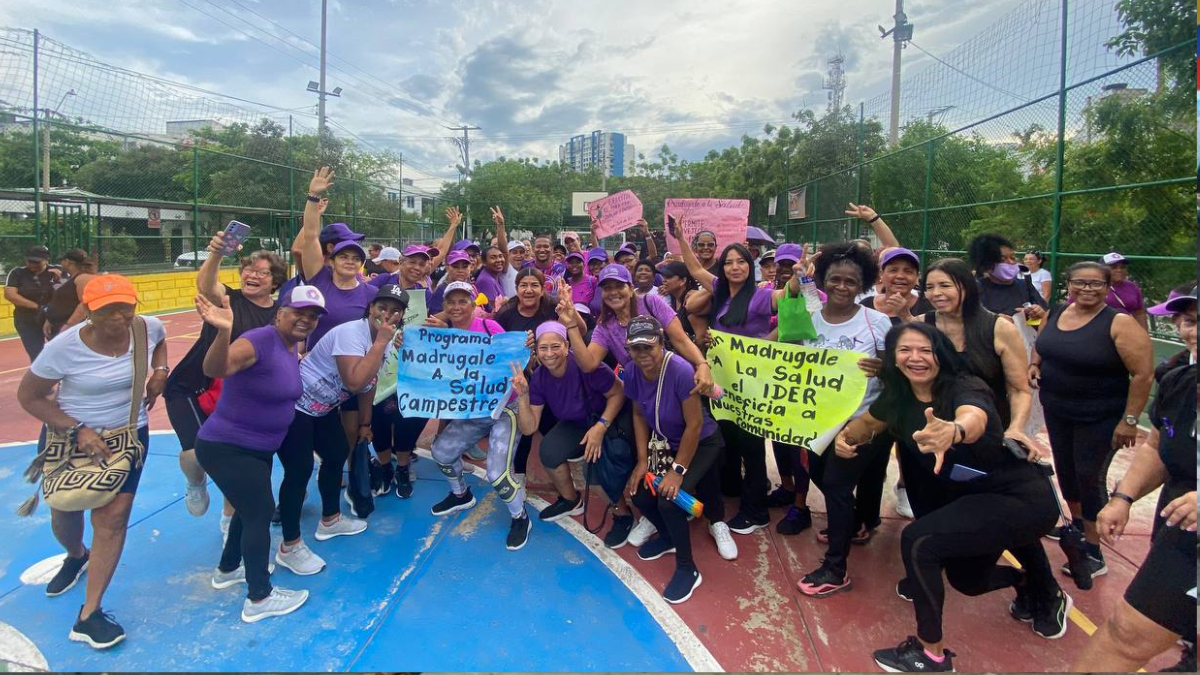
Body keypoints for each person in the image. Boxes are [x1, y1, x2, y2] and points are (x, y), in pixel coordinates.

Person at [849, 322, 1067, 672]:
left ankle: (931, 654)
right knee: (968, 582)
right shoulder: (898, 396)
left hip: (1021, 497)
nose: (916, 357)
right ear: (893, 358)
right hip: (974, 501)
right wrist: (845, 440)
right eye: (905, 350)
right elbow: (866, 426)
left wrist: (955, 429)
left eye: (926, 350)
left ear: (941, 354)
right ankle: (1027, 582)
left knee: (919, 541)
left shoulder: (964, 386)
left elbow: (974, 416)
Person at [18, 274, 168, 649]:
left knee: (112, 518)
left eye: (125, 308)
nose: (118, 317)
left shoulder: (146, 328)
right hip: (69, 436)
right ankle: (76, 554)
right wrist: (77, 429)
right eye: (107, 310)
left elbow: (161, 342)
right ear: (87, 309)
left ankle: (89, 614)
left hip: (128, 435)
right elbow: (29, 396)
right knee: (65, 511)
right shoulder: (64, 348)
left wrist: (160, 372)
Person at [1074, 284, 1196, 672]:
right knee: (1128, 633)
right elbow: (1158, 446)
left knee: (1129, 633)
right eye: (1187, 321)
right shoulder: (1178, 378)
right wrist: (1123, 497)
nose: (1192, 331)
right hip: (1182, 527)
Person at [192, 285, 327, 623]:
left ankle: (228, 569)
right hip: (229, 446)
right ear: (279, 314)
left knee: (248, 508)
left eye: (312, 316)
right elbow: (217, 368)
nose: (306, 320)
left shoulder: (289, 346)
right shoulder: (258, 340)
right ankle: (259, 597)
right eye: (299, 312)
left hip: (256, 448)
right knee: (259, 513)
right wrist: (223, 332)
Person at [1031, 261, 1154, 579]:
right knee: (1066, 472)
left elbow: (1143, 374)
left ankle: (1094, 549)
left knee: (1089, 476)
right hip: (1058, 410)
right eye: (1080, 282)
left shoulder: (1119, 323)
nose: (1087, 289)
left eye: (1096, 283)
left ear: (1107, 288)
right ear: (1069, 285)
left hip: (1099, 416)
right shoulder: (1057, 312)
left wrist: (1129, 420)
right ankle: (1078, 526)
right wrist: (1034, 364)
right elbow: (1041, 345)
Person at [274, 285, 407, 576]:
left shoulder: (382, 341)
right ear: (370, 308)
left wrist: (365, 424)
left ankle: (330, 519)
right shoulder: (353, 334)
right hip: (296, 405)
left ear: (402, 316)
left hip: (322, 409)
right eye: (382, 308)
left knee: (336, 454)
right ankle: (289, 546)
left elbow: (369, 385)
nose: (387, 315)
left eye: (395, 311)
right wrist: (381, 342)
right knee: (298, 471)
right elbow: (354, 382)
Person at [785, 242, 893, 596]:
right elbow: (784, 353)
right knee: (820, 476)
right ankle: (853, 524)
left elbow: (898, 373)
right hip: (818, 421)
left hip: (860, 424)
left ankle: (835, 569)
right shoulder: (810, 317)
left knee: (835, 486)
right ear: (824, 280)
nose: (842, 286)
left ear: (862, 285)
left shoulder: (877, 322)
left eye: (851, 281)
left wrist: (884, 368)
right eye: (835, 279)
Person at [165, 232, 285, 524]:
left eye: (262, 272)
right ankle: (195, 483)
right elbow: (206, 285)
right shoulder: (229, 300)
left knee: (236, 461)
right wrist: (217, 253)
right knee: (194, 454)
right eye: (248, 270)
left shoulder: (278, 316)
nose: (252, 275)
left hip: (239, 395)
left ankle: (230, 522)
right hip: (193, 386)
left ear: (275, 282)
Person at [672, 219, 781, 538]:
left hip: (752, 385)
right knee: (729, 438)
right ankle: (734, 489)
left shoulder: (762, 296)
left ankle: (756, 511)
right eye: (729, 262)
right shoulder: (719, 290)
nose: (735, 267)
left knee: (752, 446)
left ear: (750, 266)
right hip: (724, 383)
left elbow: (793, 305)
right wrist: (681, 238)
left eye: (741, 262)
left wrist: (765, 344)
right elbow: (694, 269)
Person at [622, 315, 727, 603]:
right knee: (639, 493)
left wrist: (677, 472)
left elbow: (694, 425)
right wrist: (642, 461)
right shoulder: (631, 372)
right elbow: (638, 414)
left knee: (669, 499)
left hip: (701, 443)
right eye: (636, 348)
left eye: (648, 347)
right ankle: (668, 536)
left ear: (661, 343)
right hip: (665, 443)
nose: (642, 354)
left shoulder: (679, 370)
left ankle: (687, 568)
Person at [428, 281, 533, 551]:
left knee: (497, 473)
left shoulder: (489, 327)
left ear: (473, 305)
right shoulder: (438, 332)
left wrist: (526, 348)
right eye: (451, 301)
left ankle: (520, 517)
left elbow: (512, 359)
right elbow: (419, 357)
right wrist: (405, 342)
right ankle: (460, 494)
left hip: (505, 407)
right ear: (444, 306)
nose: (457, 307)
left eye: (463, 301)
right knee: (441, 452)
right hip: (471, 409)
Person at [511, 322, 637, 547]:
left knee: (594, 472)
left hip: (609, 417)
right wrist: (523, 396)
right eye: (543, 348)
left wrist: (600, 427)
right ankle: (571, 500)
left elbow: (618, 394)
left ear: (567, 346)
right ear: (536, 350)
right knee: (549, 451)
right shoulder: (539, 377)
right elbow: (529, 428)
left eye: (555, 346)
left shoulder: (587, 365)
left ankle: (623, 514)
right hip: (578, 423)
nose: (549, 354)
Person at [368, 245, 437, 498]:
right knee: (379, 419)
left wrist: (438, 324)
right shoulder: (380, 283)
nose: (417, 267)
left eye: (422, 263)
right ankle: (385, 465)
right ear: (401, 261)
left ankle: (403, 467)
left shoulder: (426, 293)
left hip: (410, 368)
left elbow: (433, 322)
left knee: (408, 419)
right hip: (379, 365)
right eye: (412, 262)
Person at [295, 168, 378, 350]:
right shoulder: (319, 279)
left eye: (356, 258)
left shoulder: (371, 293)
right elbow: (310, 235)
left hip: (353, 364)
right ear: (332, 261)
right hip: (315, 364)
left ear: (361, 264)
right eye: (343, 257)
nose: (350, 261)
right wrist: (313, 196)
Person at [494, 268, 561, 485]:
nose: (529, 290)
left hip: (549, 378)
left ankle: (560, 471)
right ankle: (520, 473)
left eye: (534, 285)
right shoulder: (505, 314)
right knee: (524, 430)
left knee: (549, 426)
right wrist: (521, 354)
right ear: (516, 288)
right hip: (519, 382)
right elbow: (495, 346)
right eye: (524, 285)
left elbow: (576, 330)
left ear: (543, 289)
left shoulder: (553, 308)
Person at [966, 233, 1046, 319]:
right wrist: (994, 320)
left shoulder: (1024, 285)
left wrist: (1040, 312)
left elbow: (1046, 313)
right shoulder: (977, 290)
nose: (1011, 262)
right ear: (986, 265)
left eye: (1012, 257)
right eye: (1002, 260)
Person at [6, 245, 56, 361]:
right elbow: (10, 295)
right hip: (27, 319)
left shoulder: (57, 271)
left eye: (37, 262)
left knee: (61, 351)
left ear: (46, 260)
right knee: (37, 354)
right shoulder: (17, 273)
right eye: (29, 261)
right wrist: (38, 307)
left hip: (54, 318)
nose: (32, 265)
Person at [44, 249, 98, 338]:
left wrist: (68, 326)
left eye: (62, 261)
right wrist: (50, 320)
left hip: (74, 329)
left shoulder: (82, 278)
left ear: (68, 261)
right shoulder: (72, 278)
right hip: (62, 326)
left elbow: (84, 303)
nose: (60, 264)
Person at [1101, 252, 1149, 332]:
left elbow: (1139, 313)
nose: (1119, 270)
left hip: (1127, 330)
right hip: (1102, 330)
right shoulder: (1095, 286)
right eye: (1114, 267)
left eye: (1123, 267)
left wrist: (1144, 333)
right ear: (1102, 270)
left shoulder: (1132, 286)